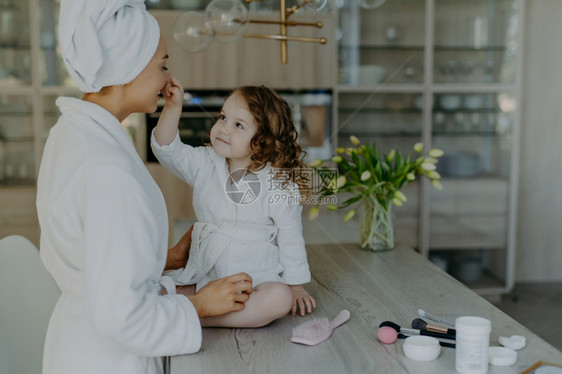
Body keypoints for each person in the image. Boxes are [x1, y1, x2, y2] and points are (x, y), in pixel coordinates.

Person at [36, 1, 253, 373]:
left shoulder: (73, 133)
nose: (168, 81)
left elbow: (93, 253)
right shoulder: (107, 170)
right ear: (127, 65)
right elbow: (123, 317)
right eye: (162, 65)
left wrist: (163, 259)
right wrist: (198, 306)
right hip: (109, 358)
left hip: (79, 342)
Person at [151, 82, 316, 328]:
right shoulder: (205, 162)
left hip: (257, 277)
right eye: (223, 117)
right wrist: (173, 107)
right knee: (155, 290)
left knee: (280, 298)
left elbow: (291, 237)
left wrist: (296, 286)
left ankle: (197, 316)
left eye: (238, 125)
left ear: (263, 141)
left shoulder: (279, 182)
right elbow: (167, 150)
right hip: (206, 274)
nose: (223, 128)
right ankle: (199, 306)